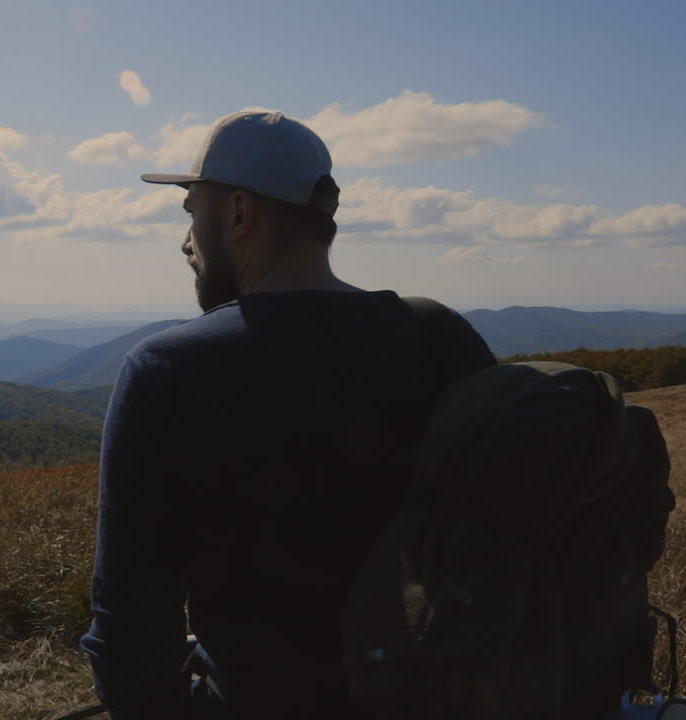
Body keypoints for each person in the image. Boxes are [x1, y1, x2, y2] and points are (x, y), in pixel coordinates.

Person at [80, 110, 495, 719]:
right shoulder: (439, 335)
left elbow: (129, 624)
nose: (187, 238)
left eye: (193, 211)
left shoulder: (169, 370)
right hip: (447, 695)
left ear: (240, 213)